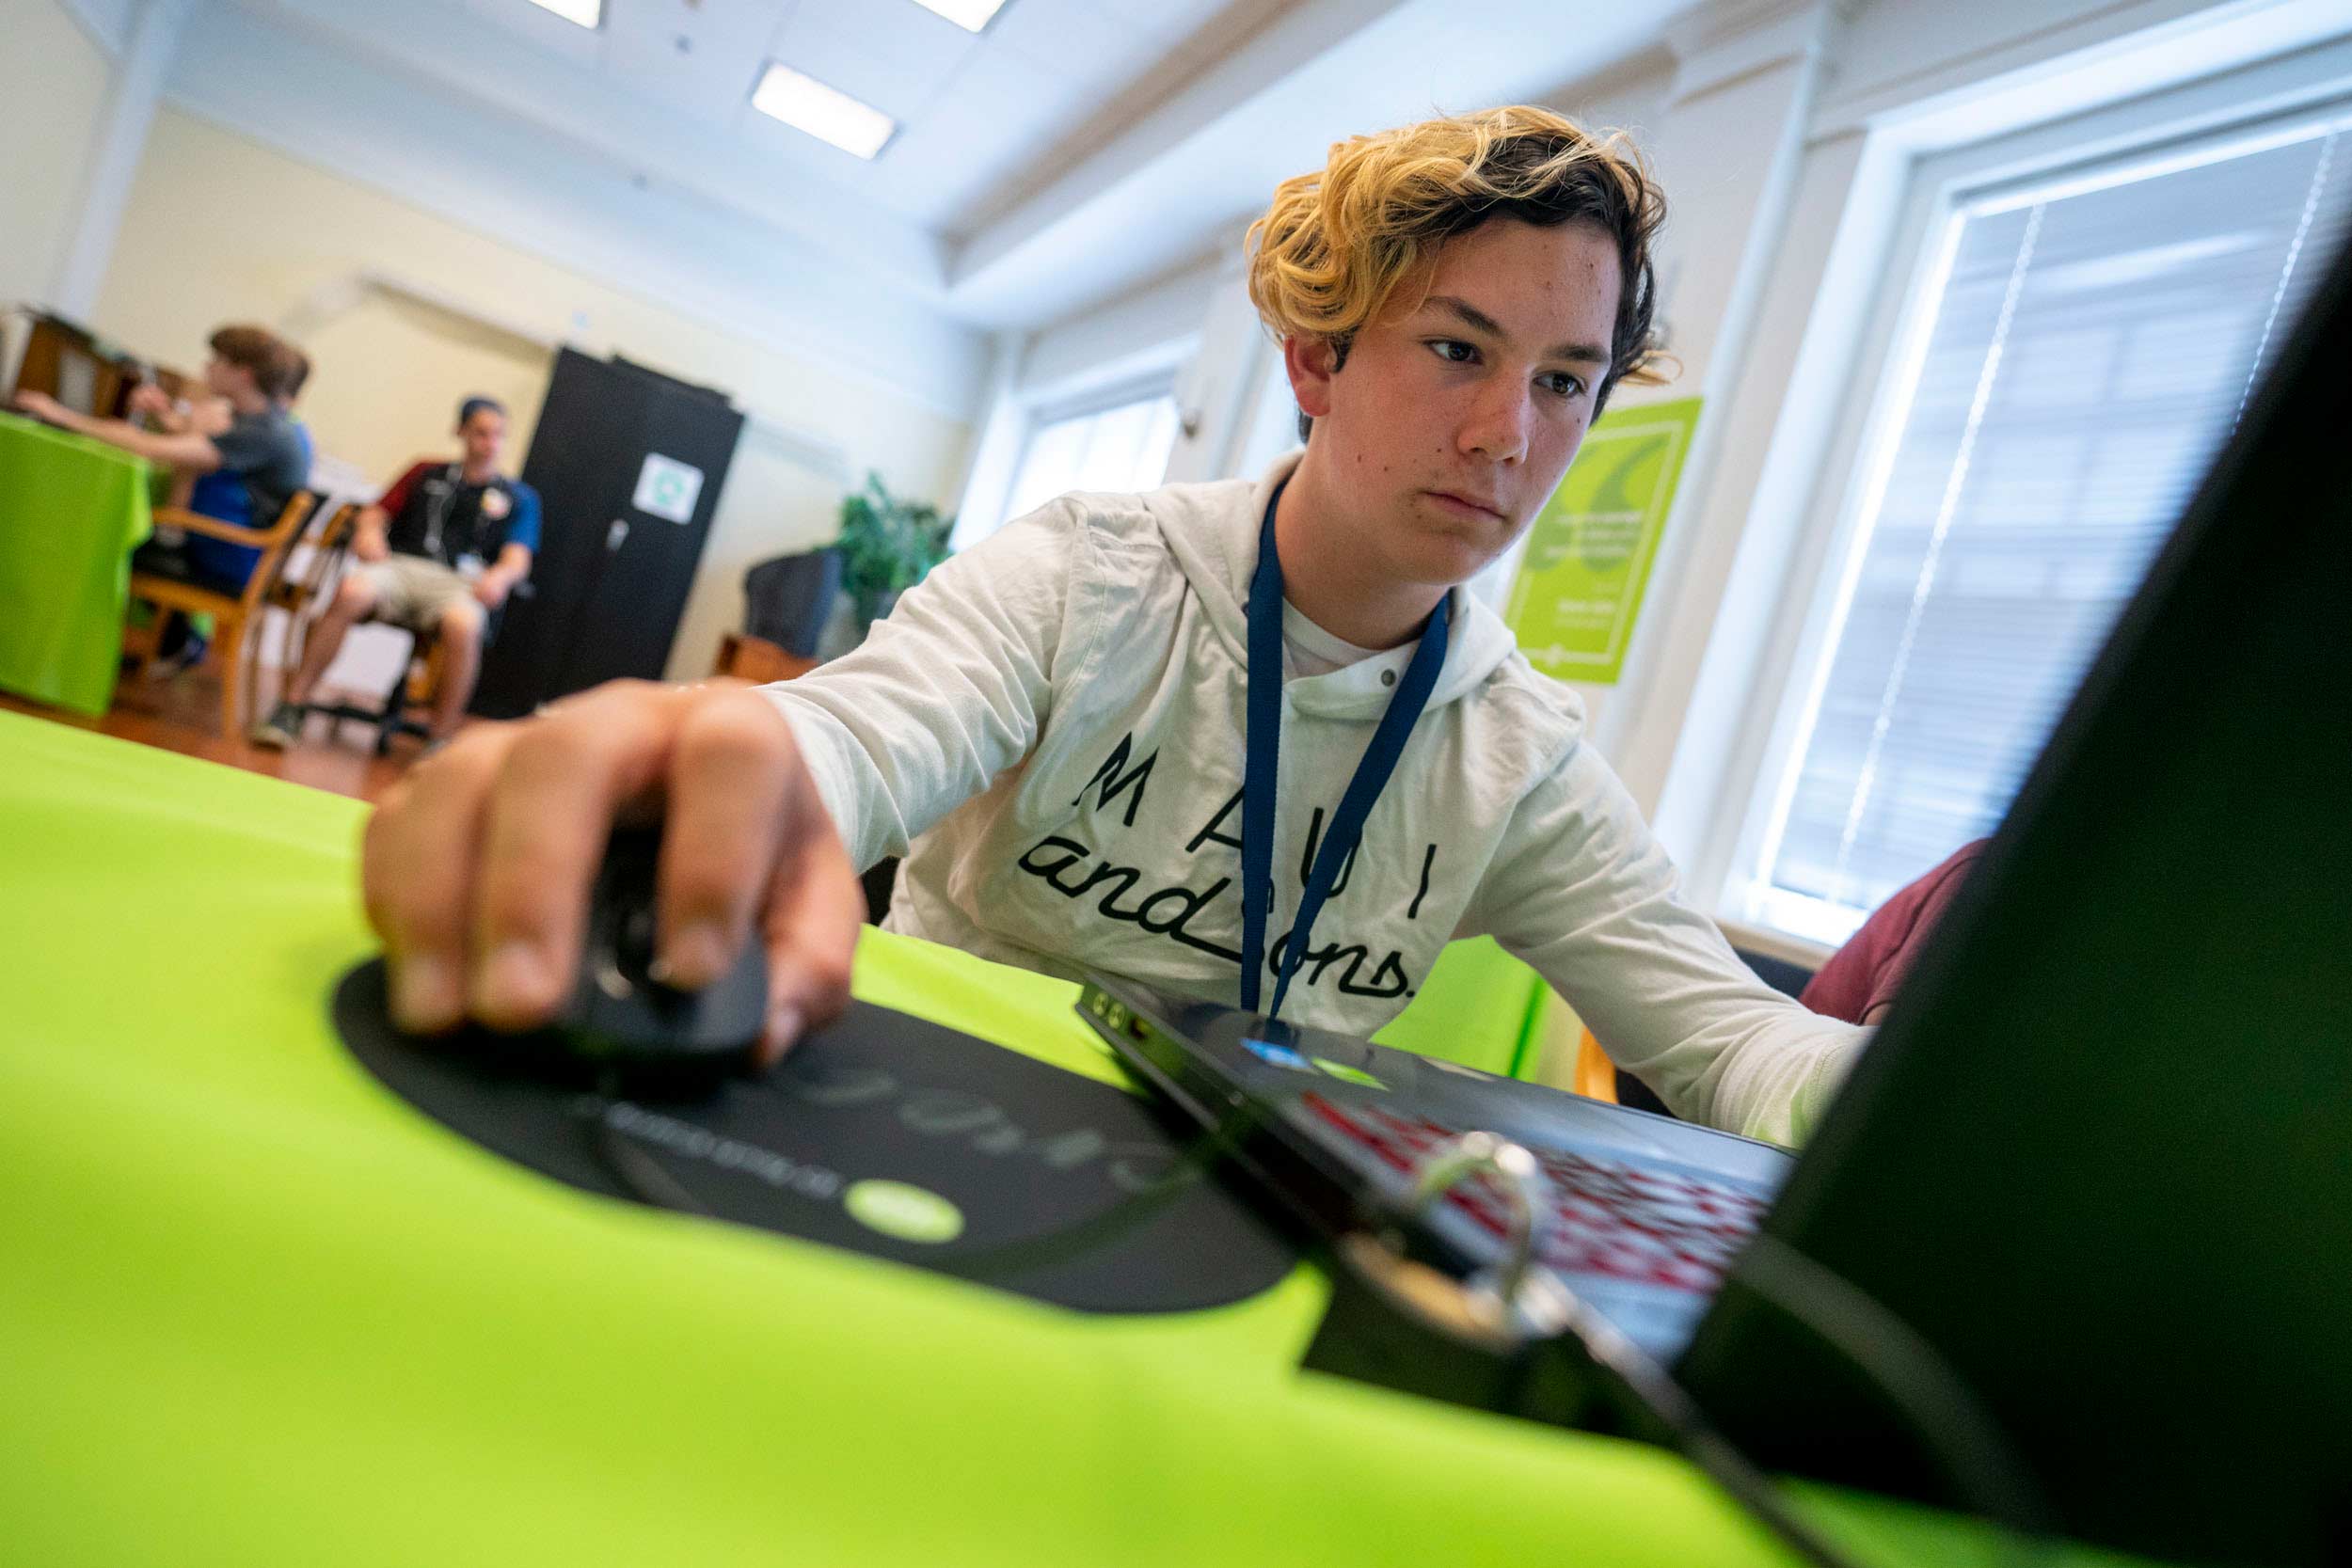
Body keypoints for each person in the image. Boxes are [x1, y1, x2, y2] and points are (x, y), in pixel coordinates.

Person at [360, 107, 1866, 1146]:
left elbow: (1731, 1036)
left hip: (1243, 1197)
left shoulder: (1514, 751)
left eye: (1563, 379)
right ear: (1316, 361)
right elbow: (856, 733)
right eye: (1458, 348)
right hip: (916, 1108)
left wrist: (1910, 1091)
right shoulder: (1093, 577)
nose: (1505, 434)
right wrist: (700, 767)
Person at [16, 324, 310, 670]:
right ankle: (167, 639)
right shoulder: (267, 423)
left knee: (101, 539)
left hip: (226, 558)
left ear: (243, 374)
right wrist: (164, 415)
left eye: (217, 361)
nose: (207, 368)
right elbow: (192, 441)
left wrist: (59, 414)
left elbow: (155, 448)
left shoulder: (263, 432)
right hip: (231, 551)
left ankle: (62, 657)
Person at [252, 396, 540, 750]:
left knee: (465, 625)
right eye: (481, 433)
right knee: (351, 591)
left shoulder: (520, 498)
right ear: (460, 431)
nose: (490, 444)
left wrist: (500, 577)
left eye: (498, 435)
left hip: (461, 585)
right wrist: (368, 532)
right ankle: (290, 708)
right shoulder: (424, 472)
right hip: (401, 569)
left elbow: (518, 558)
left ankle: (440, 740)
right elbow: (376, 513)